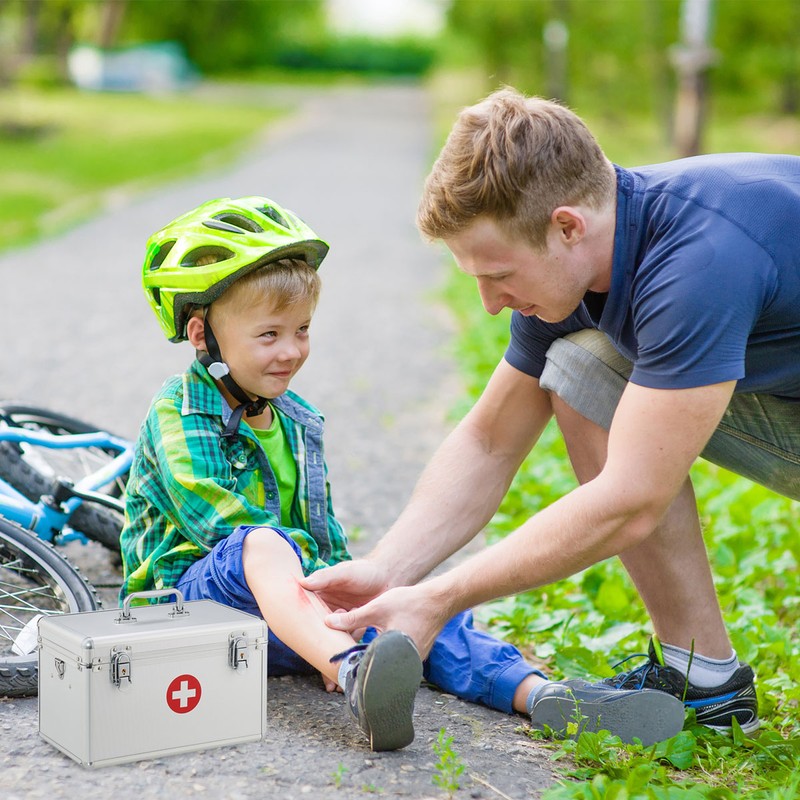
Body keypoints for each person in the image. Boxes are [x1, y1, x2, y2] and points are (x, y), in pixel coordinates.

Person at [302, 87, 800, 737]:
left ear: (567, 225)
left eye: (497, 275)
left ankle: (699, 676)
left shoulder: (697, 262)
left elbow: (631, 499)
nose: (489, 304)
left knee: (581, 369)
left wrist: (439, 598)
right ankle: (701, 678)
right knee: (579, 364)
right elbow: (489, 441)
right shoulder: (592, 250)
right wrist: (386, 572)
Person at [120, 195, 684, 752]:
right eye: (269, 335)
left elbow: (319, 533)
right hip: (190, 610)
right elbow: (220, 524)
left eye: (303, 330)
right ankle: (352, 672)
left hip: (284, 620)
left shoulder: (295, 419)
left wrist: (350, 598)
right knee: (262, 544)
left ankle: (543, 697)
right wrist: (328, 616)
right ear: (202, 335)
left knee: (409, 605)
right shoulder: (181, 410)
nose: (291, 351)